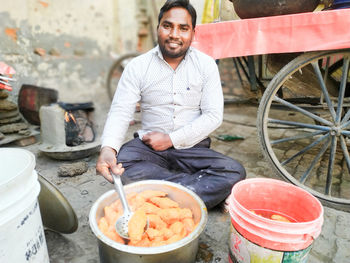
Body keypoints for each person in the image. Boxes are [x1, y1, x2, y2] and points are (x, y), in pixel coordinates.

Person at [96, 0, 246, 209]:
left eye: (183, 28)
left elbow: (213, 116)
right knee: (123, 164)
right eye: (168, 26)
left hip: (191, 146)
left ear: (193, 33)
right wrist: (108, 148)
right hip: (149, 147)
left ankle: (157, 196)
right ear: (158, 28)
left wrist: (170, 139)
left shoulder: (206, 65)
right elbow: (121, 110)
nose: (174, 34)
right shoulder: (137, 67)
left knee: (234, 171)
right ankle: (196, 193)